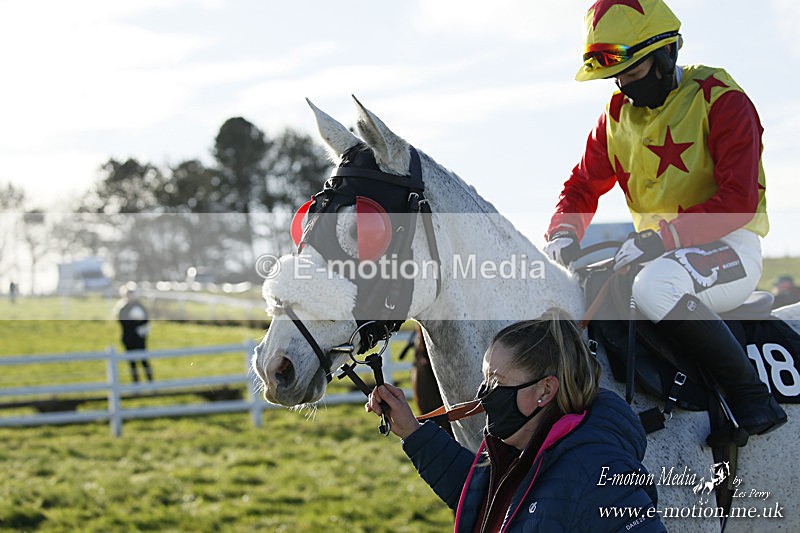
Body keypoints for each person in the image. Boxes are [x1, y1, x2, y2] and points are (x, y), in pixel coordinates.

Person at [542, 0, 785, 436]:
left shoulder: (722, 100)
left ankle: (752, 398)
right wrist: (563, 230)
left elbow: (738, 201)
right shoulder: (614, 117)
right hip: (657, 255)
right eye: (615, 77)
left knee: (655, 286)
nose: (622, 86)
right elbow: (581, 185)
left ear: (666, 54)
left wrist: (662, 238)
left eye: (632, 72)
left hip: (730, 249)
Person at [367, 309, 665, 532]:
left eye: (496, 381)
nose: (484, 393)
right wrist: (413, 432)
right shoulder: (518, 451)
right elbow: (484, 502)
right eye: (485, 378)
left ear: (545, 390)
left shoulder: (602, 475)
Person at [116, 284, 153, 383]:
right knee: (132, 363)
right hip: (129, 339)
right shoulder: (123, 308)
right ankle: (136, 385)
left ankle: (151, 383)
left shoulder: (140, 306)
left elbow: (146, 320)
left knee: (144, 360)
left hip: (140, 338)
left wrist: (139, 322)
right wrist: (134, 322)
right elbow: (123, 323)